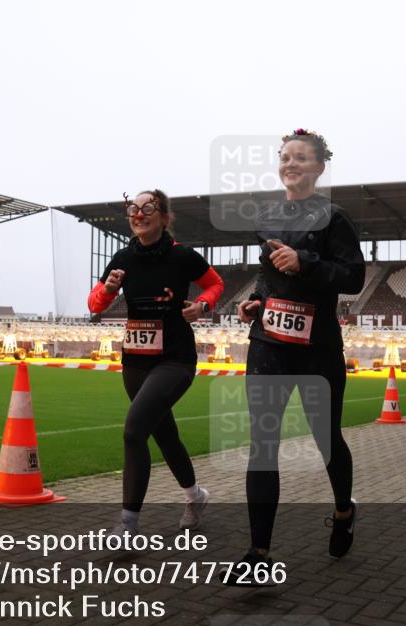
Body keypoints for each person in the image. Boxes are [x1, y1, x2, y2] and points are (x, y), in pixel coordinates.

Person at [226, 129, 365, 585]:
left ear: (319, 166)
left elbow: (353, 277)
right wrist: (254, 302)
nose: (291, 164)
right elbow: (270, 280)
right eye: (285, 157)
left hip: (317, 349)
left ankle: (344, 511)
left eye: (301, 158)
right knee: (262, 445)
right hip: (268, 343)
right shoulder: (266, 218)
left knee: (327, 438)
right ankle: (257, 554)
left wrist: (306, 262)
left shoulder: (334, 218)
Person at [88, 189, 224, 534]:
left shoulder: (182, 256)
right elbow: (94, 305)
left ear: (164, 216)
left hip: (175, 359)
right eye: (133, 208)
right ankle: (195, 496)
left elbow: (215, 284)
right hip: (135, 361)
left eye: (148, 207)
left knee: (134, 431)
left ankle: (127, 526)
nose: (139, 213)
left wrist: (202, 307)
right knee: (165, 435)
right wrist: (108, 288)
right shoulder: (122, 257)